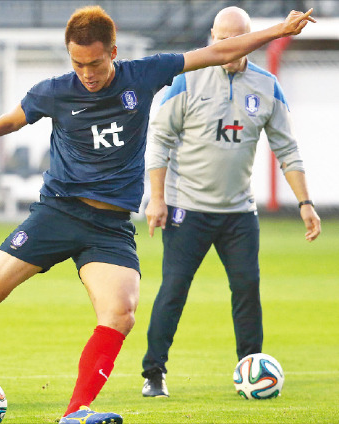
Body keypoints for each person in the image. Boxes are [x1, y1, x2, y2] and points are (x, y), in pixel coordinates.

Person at [0, 5, 315, 423]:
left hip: (110, 227)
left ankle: (76, 411)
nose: (86, 73)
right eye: (78, 63)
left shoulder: (144, 74)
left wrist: (280, 30)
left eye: (95, 63)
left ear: (114, 52)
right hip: (58, 213)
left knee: (120, 313)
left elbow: (216, 53)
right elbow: (13, 121)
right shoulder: (55, 90)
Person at [141, 6, 321, 398]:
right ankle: (153, 373)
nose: (228, 46)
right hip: (186, 208)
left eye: (237, 38)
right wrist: (157, 199)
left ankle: (251, 369)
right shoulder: (185, 81)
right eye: (221, 39)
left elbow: (287, 149)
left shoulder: (267, 85)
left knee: (247, 288)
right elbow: (159, 142)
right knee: (173, 289)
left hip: (239, 211)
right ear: (211, 36)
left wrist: (305, 202)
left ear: (250, 39)